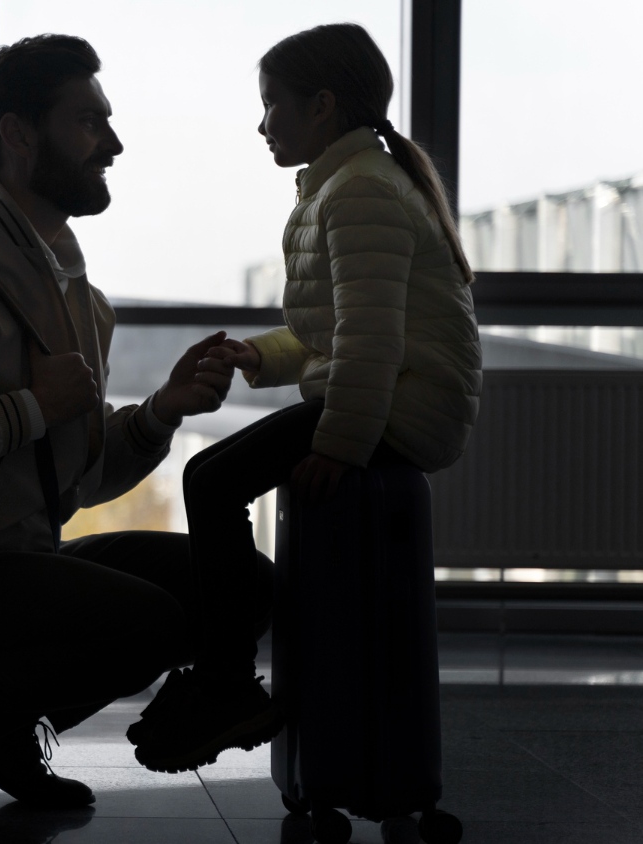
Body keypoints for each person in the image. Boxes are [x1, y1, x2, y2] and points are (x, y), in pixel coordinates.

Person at [0, 34, 272, 829]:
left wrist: (159, 413)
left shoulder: (79, 297)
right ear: (17, 135)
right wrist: (28, 407)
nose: (112, 142)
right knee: (152, 625)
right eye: (87, 121)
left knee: (242, 583)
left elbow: (70, 484)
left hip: (14, 565)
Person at [128, 23, 482, 775]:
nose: (262, 125)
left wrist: (340, 444)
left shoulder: (358, 193)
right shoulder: (354, 185)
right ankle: (227, 677)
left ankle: (226, 684)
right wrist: (260, 354)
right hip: (399, 397)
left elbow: (371, 340)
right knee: (215, 477)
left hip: (404, 407)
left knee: (211, 478)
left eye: (272, 105)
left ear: (321, 106)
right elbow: (334, 332)